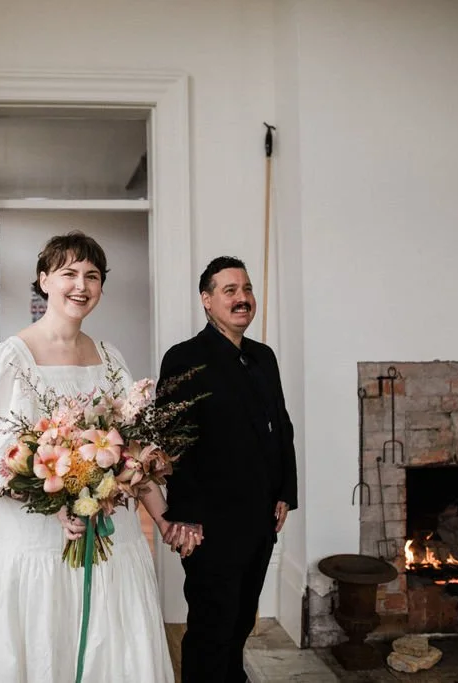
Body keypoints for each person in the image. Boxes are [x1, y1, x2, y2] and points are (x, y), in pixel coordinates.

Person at [0, 231, 177, 683]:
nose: (81, 285)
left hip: (111, 540)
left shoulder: (110, 358)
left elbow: (130, 452)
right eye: (69, 273)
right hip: (36, 545)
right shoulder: (9, 360)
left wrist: (165, 519)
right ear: (44, 279)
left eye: (92, 276)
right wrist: (52, 504)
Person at [158, 256, 298, 683]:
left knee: (240, 621)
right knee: (211, 626)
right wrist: (183, 516)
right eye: (230, 291)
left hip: (260, 517)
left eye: (247, 290)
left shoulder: (263, 357)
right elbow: (172, 443)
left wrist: (285, 492)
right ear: (207, 300)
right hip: (210, 523)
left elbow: (282, 427)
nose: (242, 299)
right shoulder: (184, 358)